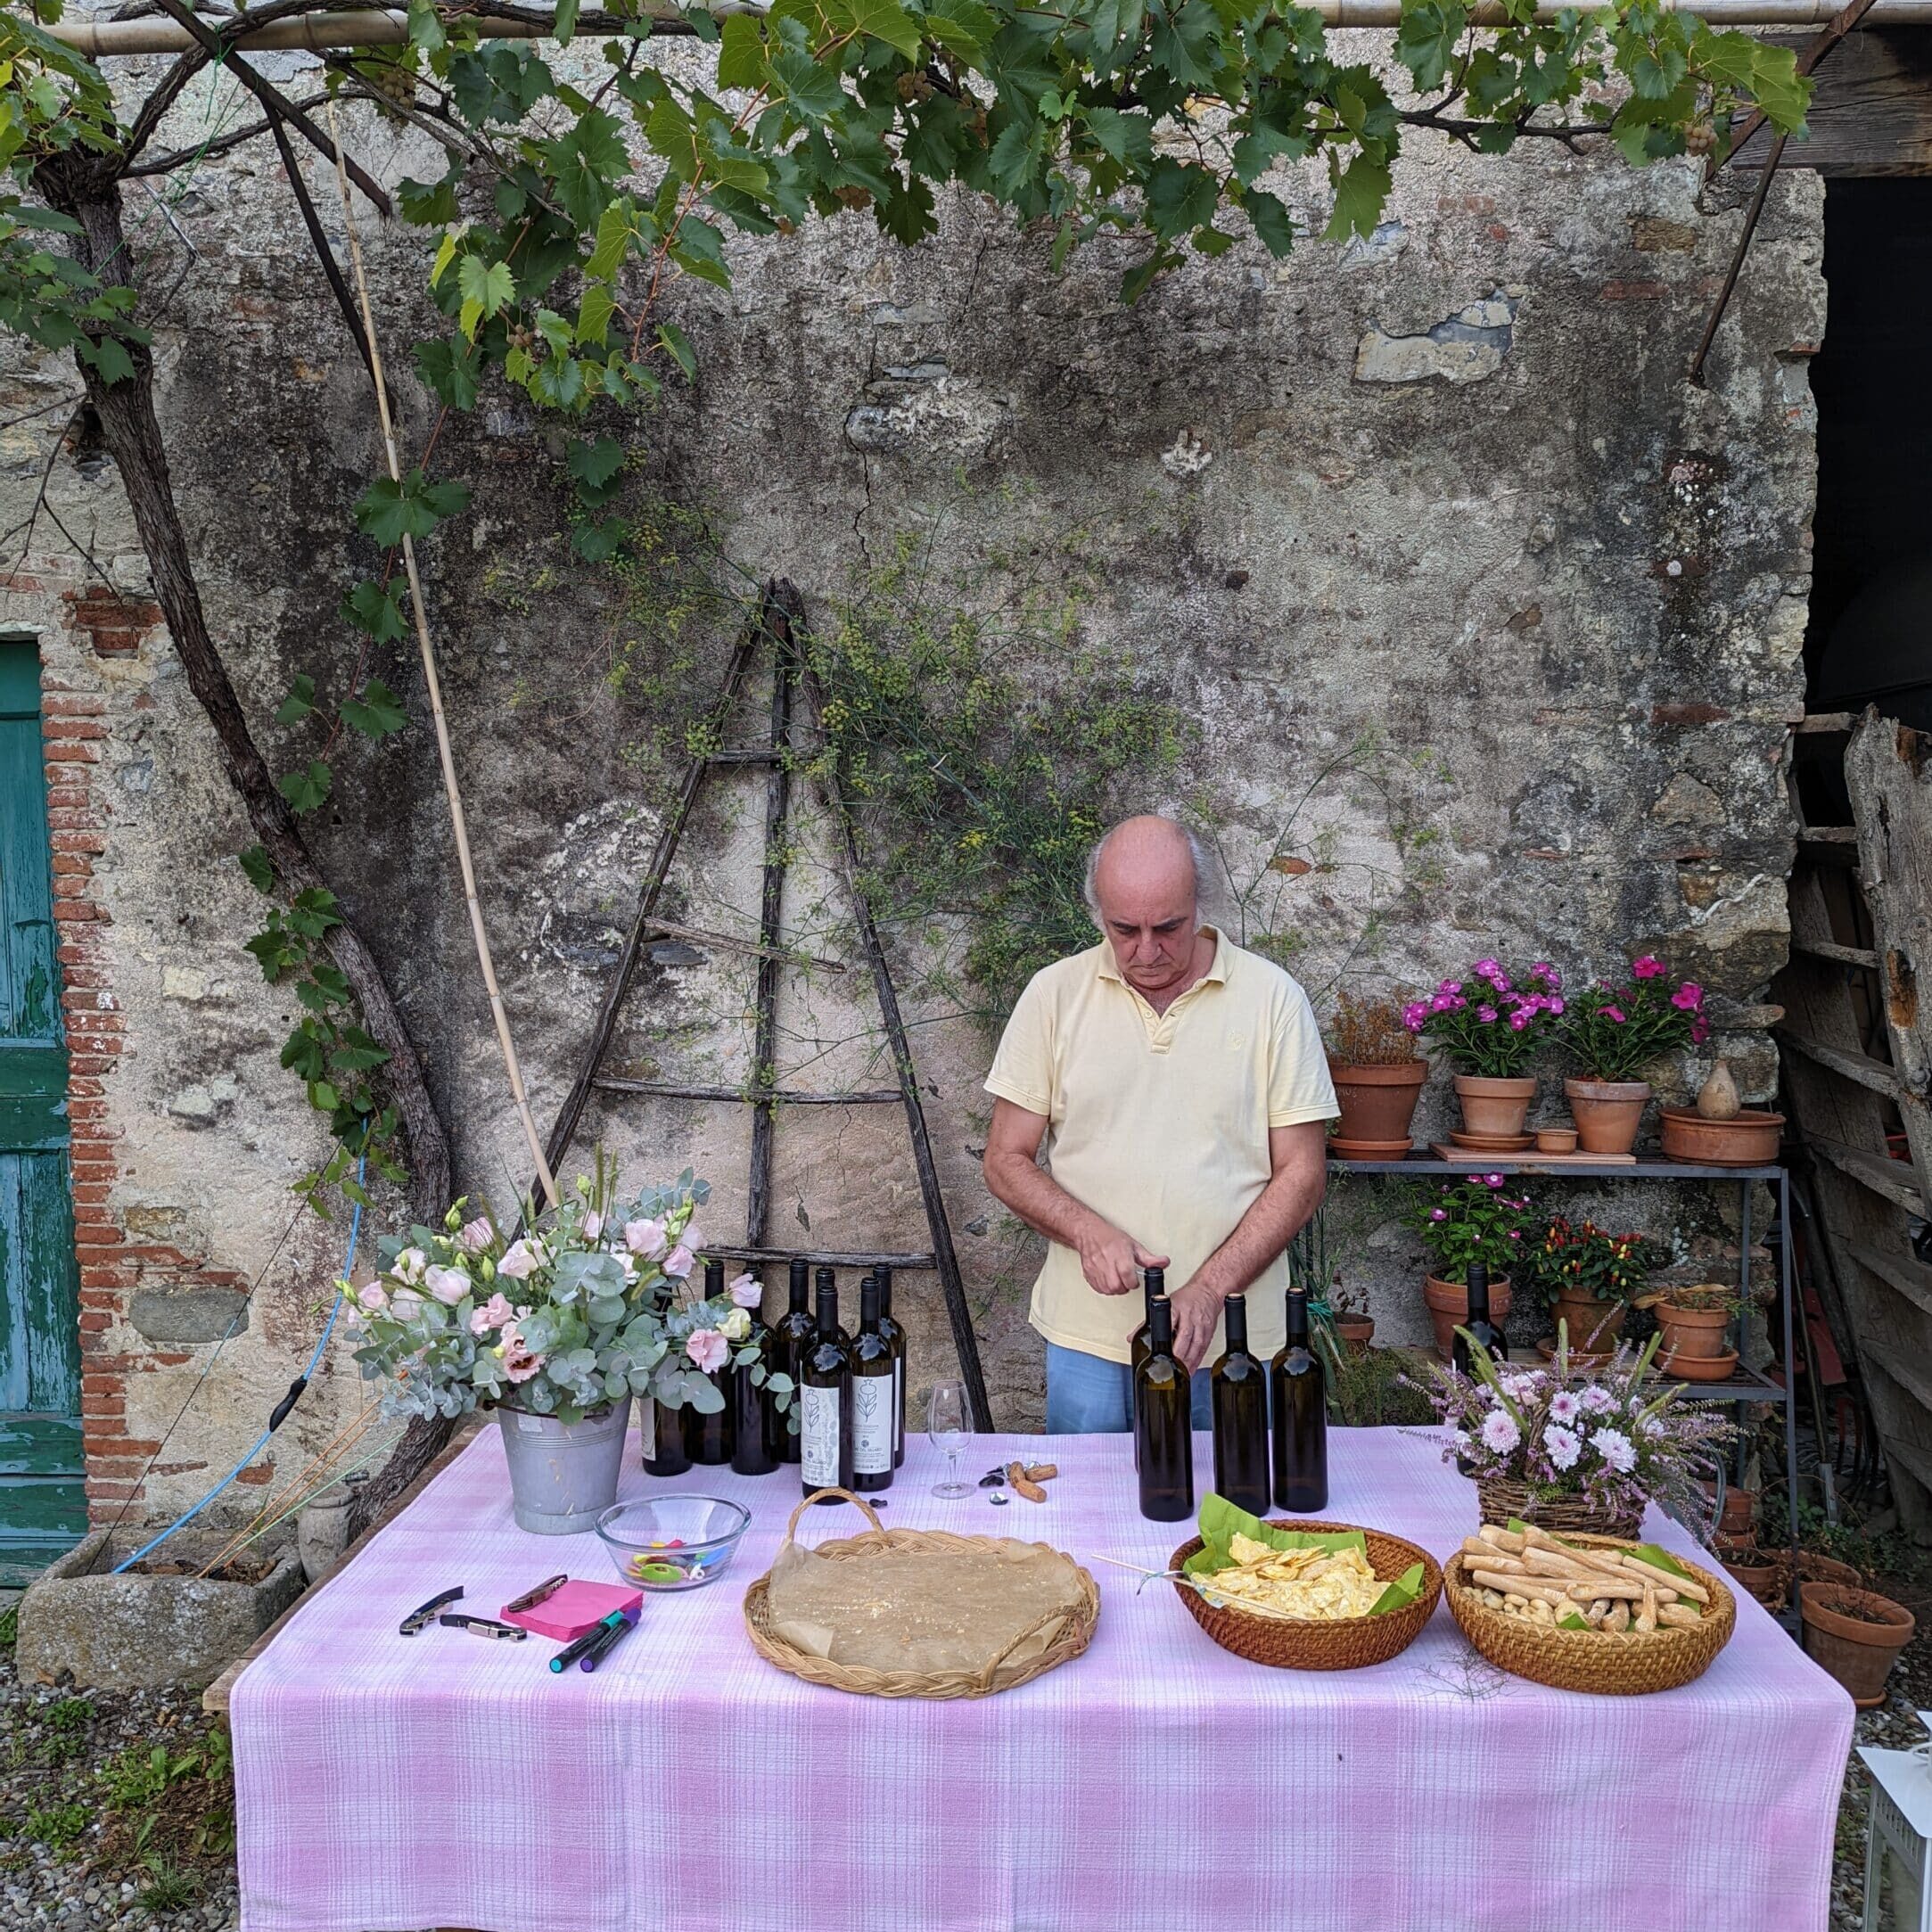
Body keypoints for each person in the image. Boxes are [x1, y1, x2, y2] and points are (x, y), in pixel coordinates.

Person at [982, 815, 1336, 1433]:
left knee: (1235, 1523)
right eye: (1124, 930)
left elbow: (1302, 1173)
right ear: (1097, 914)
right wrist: (1086, 1231)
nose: (1146, 951)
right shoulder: (1053, 995)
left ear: (1201, 903)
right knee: (1090, 1525)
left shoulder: (1272, 998)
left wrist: (1208, 1290)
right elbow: (1005, 1158)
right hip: (1089, 1340)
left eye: (1167, 927)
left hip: (1234, 1341)